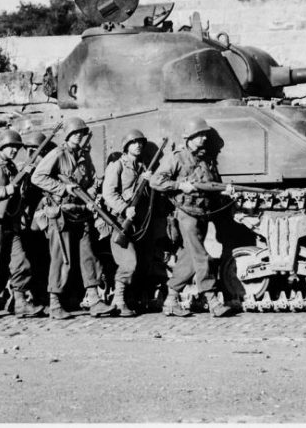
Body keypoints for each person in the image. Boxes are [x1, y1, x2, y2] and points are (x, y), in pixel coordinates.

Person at [150, 117, 234, 318]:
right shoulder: (176, 158)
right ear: (188, 138)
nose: (203, 139)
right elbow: (156, 181)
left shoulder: (205, 159)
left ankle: (170, 300)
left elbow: (212, 184)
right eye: (198, 135)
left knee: (189, 258)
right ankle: (212, 299)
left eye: (204, 135)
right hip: (186, 214)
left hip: (202, 213)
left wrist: (226, 191)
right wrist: (179, 185)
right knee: (200, 255)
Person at [32, 116, 114, 319]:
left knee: (89, 256)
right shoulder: (57, 154)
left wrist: (92, 196)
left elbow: (90, 182)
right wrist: (62, 188)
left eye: (81, 134)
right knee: (61, 260)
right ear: (67, 135)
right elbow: (37, 177)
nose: (79, 137)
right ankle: (55, 303)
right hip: (61, 214)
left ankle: (94, 300)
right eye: (75, 133)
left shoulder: (84, 156)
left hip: (81, 212)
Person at [0, 130, 44, 320]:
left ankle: (20, 302)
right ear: (2, 146)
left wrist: (25, 179)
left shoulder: (12, 167)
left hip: (10, 222)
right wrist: (6, 190)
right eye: (11, 147)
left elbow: (19, 196)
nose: (14, 150)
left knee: (20, 261)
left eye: (16, 147)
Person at [101, 129, 152, 317]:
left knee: (138, 263)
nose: (138, 145)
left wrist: (148, 180)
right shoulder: (117, 166)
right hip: (119, 220)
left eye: (140, 142)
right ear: (126, 146)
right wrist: (124, 208)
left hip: (136, 222)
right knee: (128, 263)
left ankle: (123, 300)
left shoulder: (142, 167)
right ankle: (119, 300)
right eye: (133, 142)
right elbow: (109, 193)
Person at [19, 131, 55, 307]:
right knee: (33, 260)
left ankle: (45, 294)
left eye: (36, 150)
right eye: (29, 150)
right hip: (31, 221)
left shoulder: (49, 167)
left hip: (47, 218)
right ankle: (34, 295)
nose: (31, 154)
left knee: (46, 258)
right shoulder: (25, 169)